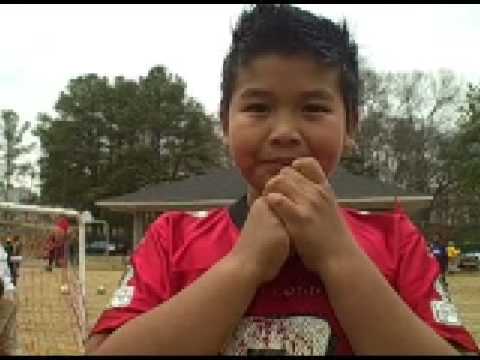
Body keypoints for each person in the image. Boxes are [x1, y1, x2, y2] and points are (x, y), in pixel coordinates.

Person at [85, 5, 479, 355]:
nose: (285, 132)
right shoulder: (172, 238)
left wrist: (338, 257)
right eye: (258, 107)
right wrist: (243, 265)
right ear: (225, 122)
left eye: (313, 108)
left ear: (351, 124)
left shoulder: (397, 240)